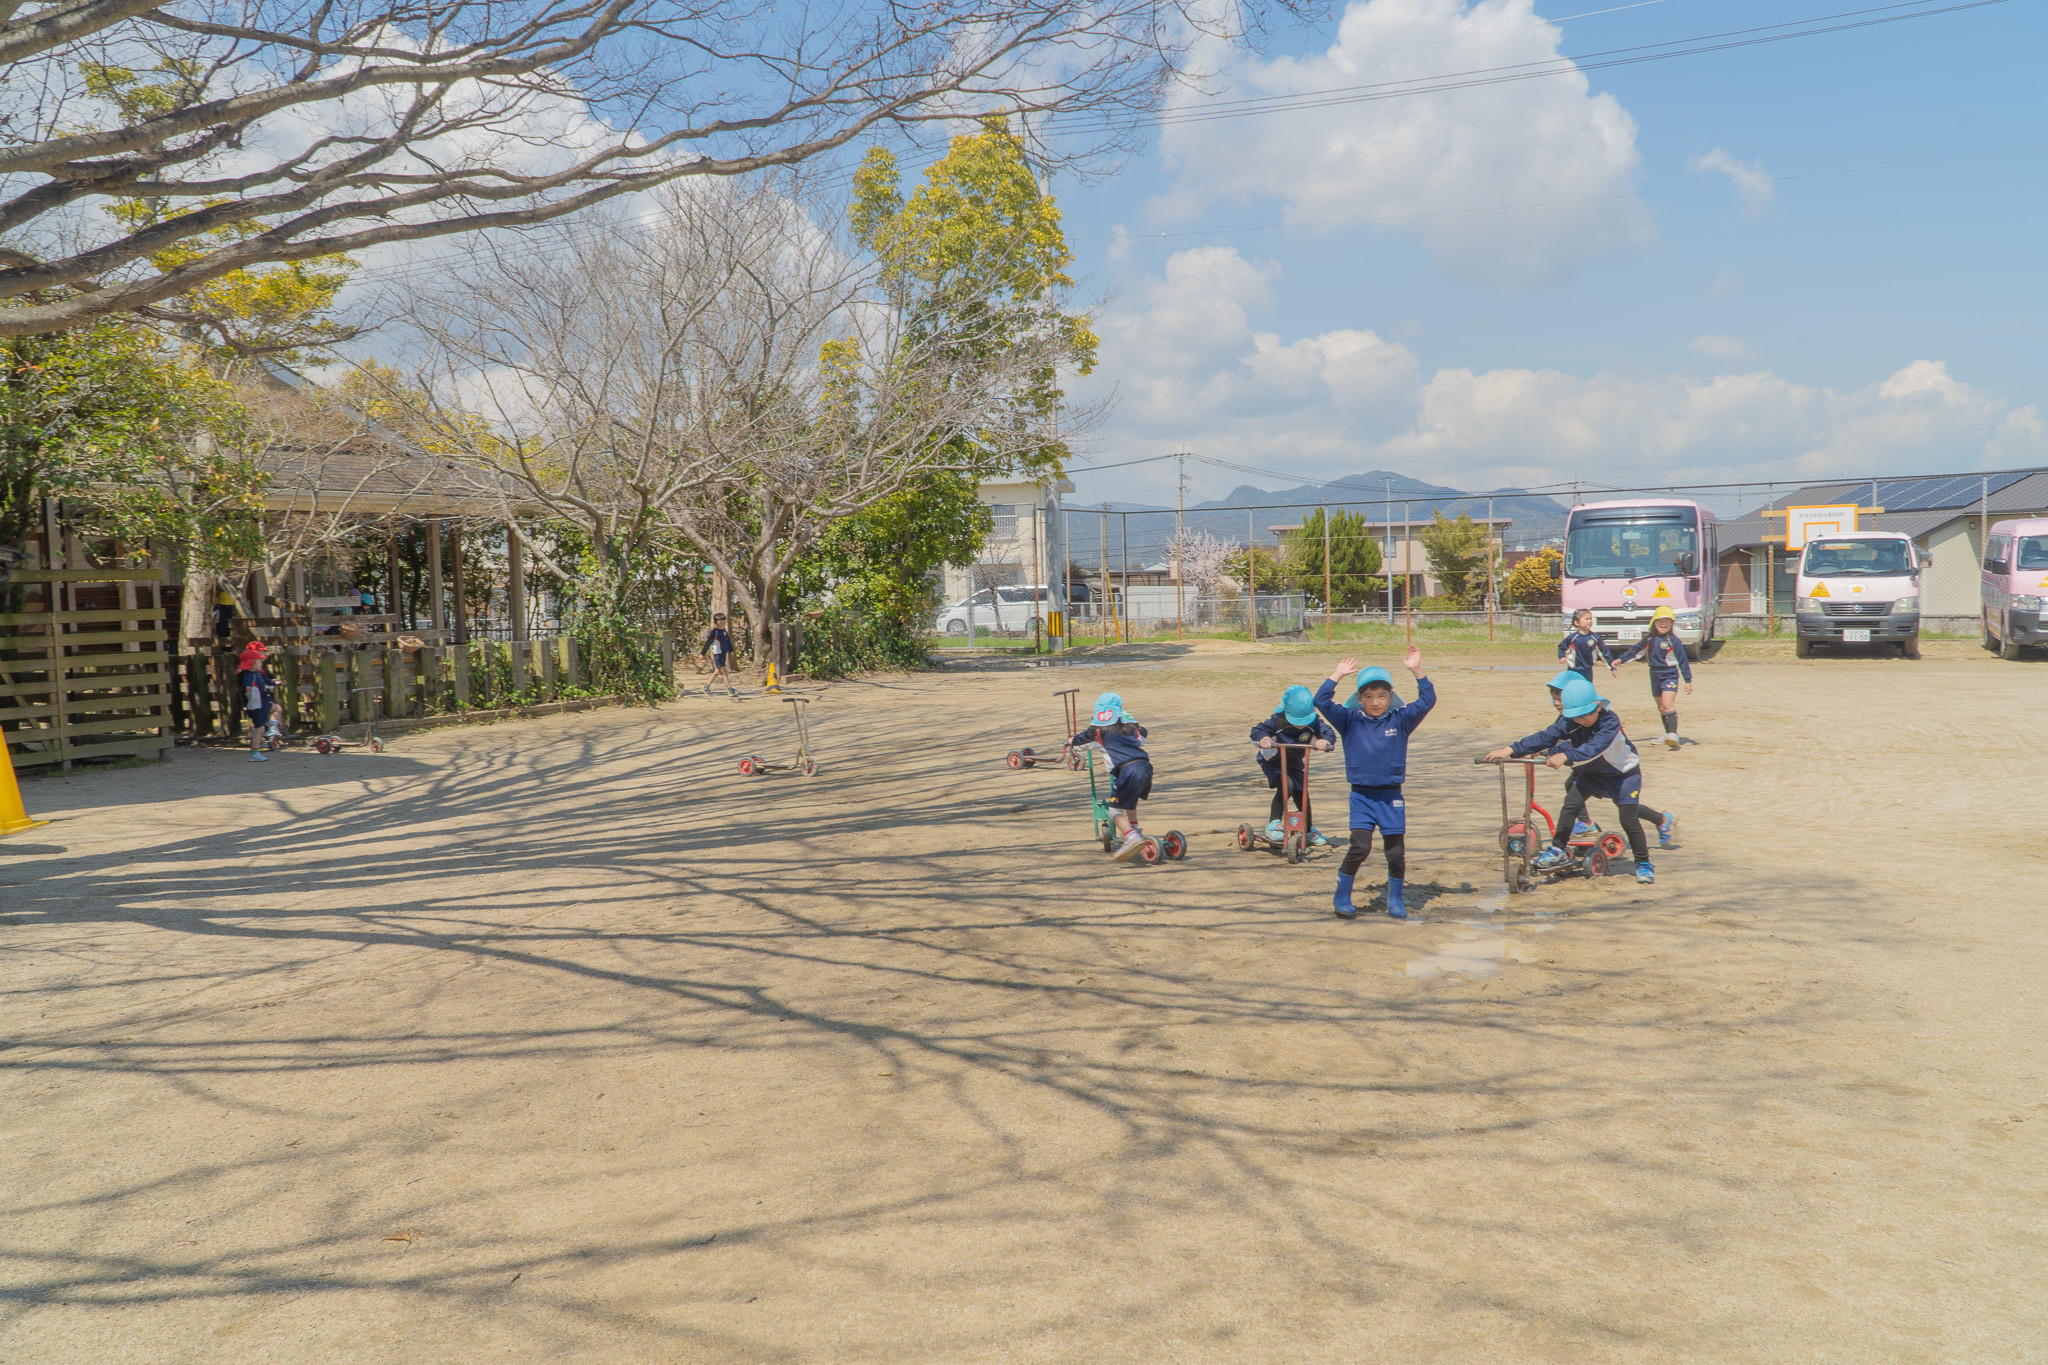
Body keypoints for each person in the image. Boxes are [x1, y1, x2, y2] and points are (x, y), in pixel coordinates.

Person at [1484, 675, 1674, 885]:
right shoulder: (1570, 721)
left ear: (1597, 706)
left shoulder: (1610, 721)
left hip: (1623, 774)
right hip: (1593, 773)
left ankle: (1643, 863)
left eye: (1584, 717)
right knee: (1570, 804)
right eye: (1575, 718)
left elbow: (1594, 748)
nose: (1580, 721)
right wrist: (1510, 749)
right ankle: (1557, 849)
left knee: (1628, 818)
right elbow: (1546, 736)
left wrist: (1566, 756)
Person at [1313, 645, 1434, 920]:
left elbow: (1427, 701)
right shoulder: (1349, 721)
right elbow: (1321, 702)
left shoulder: (1401, 720)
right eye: (1368, 696)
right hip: (1362, 797)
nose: (1376, 701)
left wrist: (1417, 670)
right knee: (1360, 847)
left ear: (1391, 696)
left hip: (1391, 797)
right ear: (1360, 698)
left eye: (1381, 695)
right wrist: (1337, 675)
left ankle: (1395, 898)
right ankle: (1342, 895)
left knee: (1395, 854)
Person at [1070, 691, 1155, 861]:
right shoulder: (1132, 727)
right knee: (1131, 801)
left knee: (1113, 810)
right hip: (1145, 767)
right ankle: (1135, 829)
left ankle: (1131, 836)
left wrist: (1071, 741)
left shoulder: (1099, 731)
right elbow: (1142, 737)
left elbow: (1082, 742)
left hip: (1126, 771)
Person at [1249, 684, 1336, 846]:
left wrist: (1325, 740)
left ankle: (1308, 829)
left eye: (1304, 721)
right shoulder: (1278, 720)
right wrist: (1264, 738)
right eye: (1297, 721)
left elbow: (1327, 731)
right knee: (1286, 785)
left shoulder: (1314, 722)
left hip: (1295, 763)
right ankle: (1273, 823)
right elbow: (1257, 730)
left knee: (1302, 792)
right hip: (1273, 761)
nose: (1300, 725)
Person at [1613, 605, 1693, 749]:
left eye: (1667, 621)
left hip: (1669, 674)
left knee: (1668, 705)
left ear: (1672, 623)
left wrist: (1688, 680)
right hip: (1654, 674)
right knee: (1661, 707)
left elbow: (1683, 660)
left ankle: (1673, 735)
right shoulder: (1650, 638)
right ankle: (1667, 733)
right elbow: (1635, 651)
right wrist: (1620, 660)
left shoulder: (1673, 640)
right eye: (1660, 620)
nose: (1663, 624)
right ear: (1654, 622)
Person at [237, 640, 274, 762]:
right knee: (259, 729)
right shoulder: (249, 675)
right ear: (252, 663)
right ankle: (254, 752)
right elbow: (246, 686)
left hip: (261, 703)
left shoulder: (257, 674)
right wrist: (247, 689)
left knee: (269, 710)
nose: (261, 663)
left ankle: (270, 723)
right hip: (255, 706)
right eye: (258, 661)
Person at [1557, 609, 1618, 684]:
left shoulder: (1595, 638)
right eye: (1586, 619)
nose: (1589, 621)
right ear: (1576, 622)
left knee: (1586, 689)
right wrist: (1562, 656)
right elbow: (1562, 647)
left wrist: (1612, 668)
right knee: (1573, 689)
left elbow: (1604, 653)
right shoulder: (1572, 637)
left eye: (1590, 619)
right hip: (1573, 669)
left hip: (1587, 670)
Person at [702, 614, 736, 697]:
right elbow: (708, 643)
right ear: (716, 623)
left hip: (723, 653)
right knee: (725, 672)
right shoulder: (715, 632)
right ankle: (730, 690)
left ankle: (706, 687)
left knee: (717, 672)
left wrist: (731, 650)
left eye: (724, 622)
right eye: (720, 622)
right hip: (717, 654)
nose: (722, 624)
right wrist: (702, 653)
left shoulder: (724, 631)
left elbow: (728, 641)